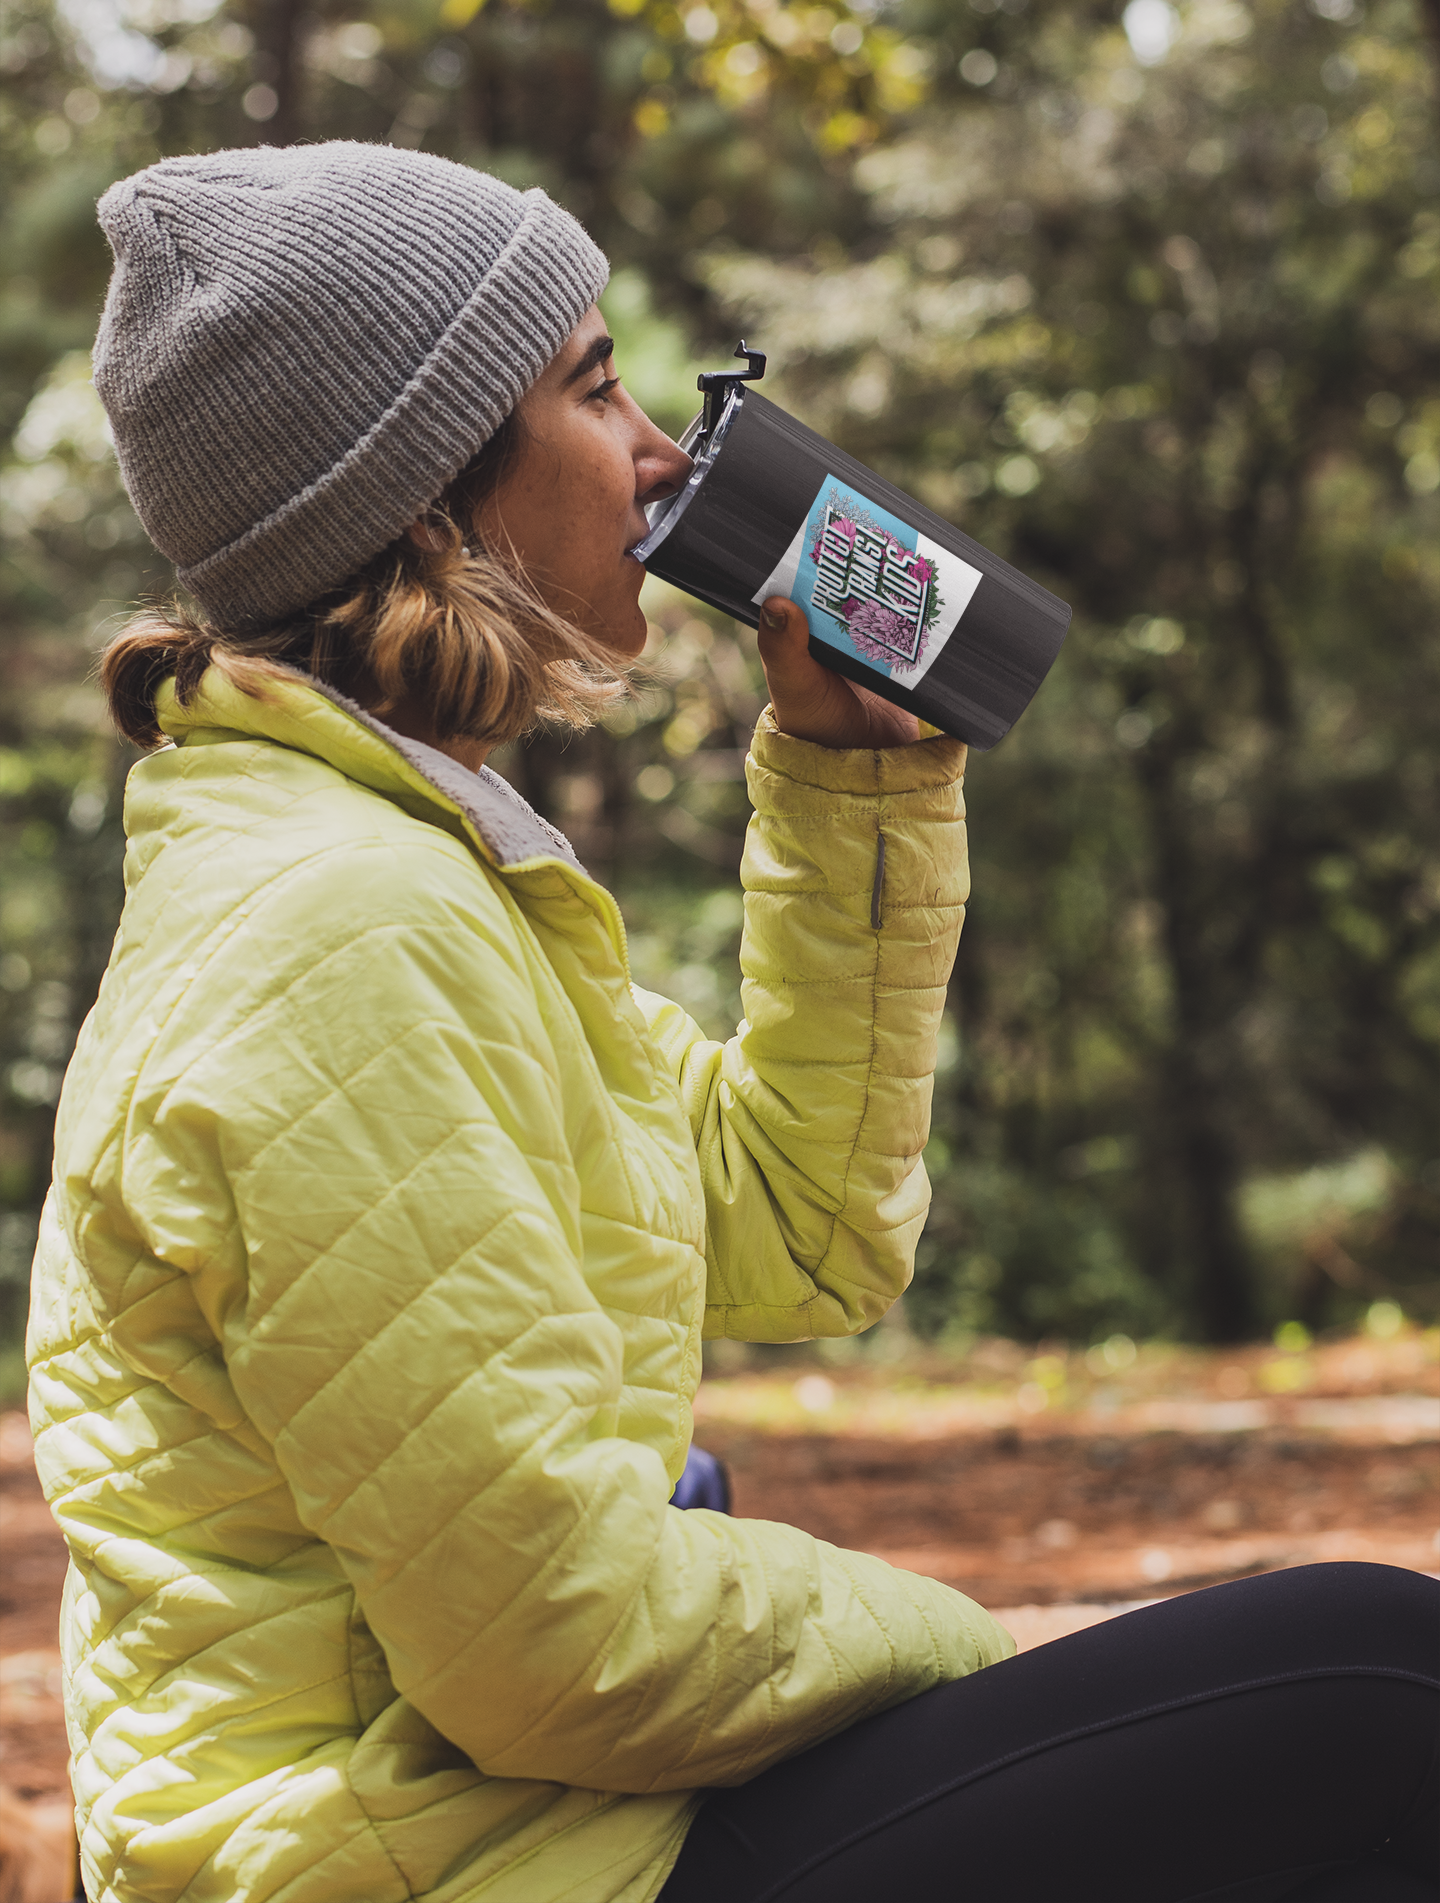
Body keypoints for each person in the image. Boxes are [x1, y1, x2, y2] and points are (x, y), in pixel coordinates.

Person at [26, 143, 1436, 1903]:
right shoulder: (341, 930)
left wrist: (857, 790)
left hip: (517, 1829)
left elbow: (797, 1233)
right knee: (1379, 1694)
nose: (666, 456)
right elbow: (553, 1643)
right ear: (430, 501)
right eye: (595, 387)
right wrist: (977, 1651)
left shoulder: (429, 874)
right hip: (439, 1861)